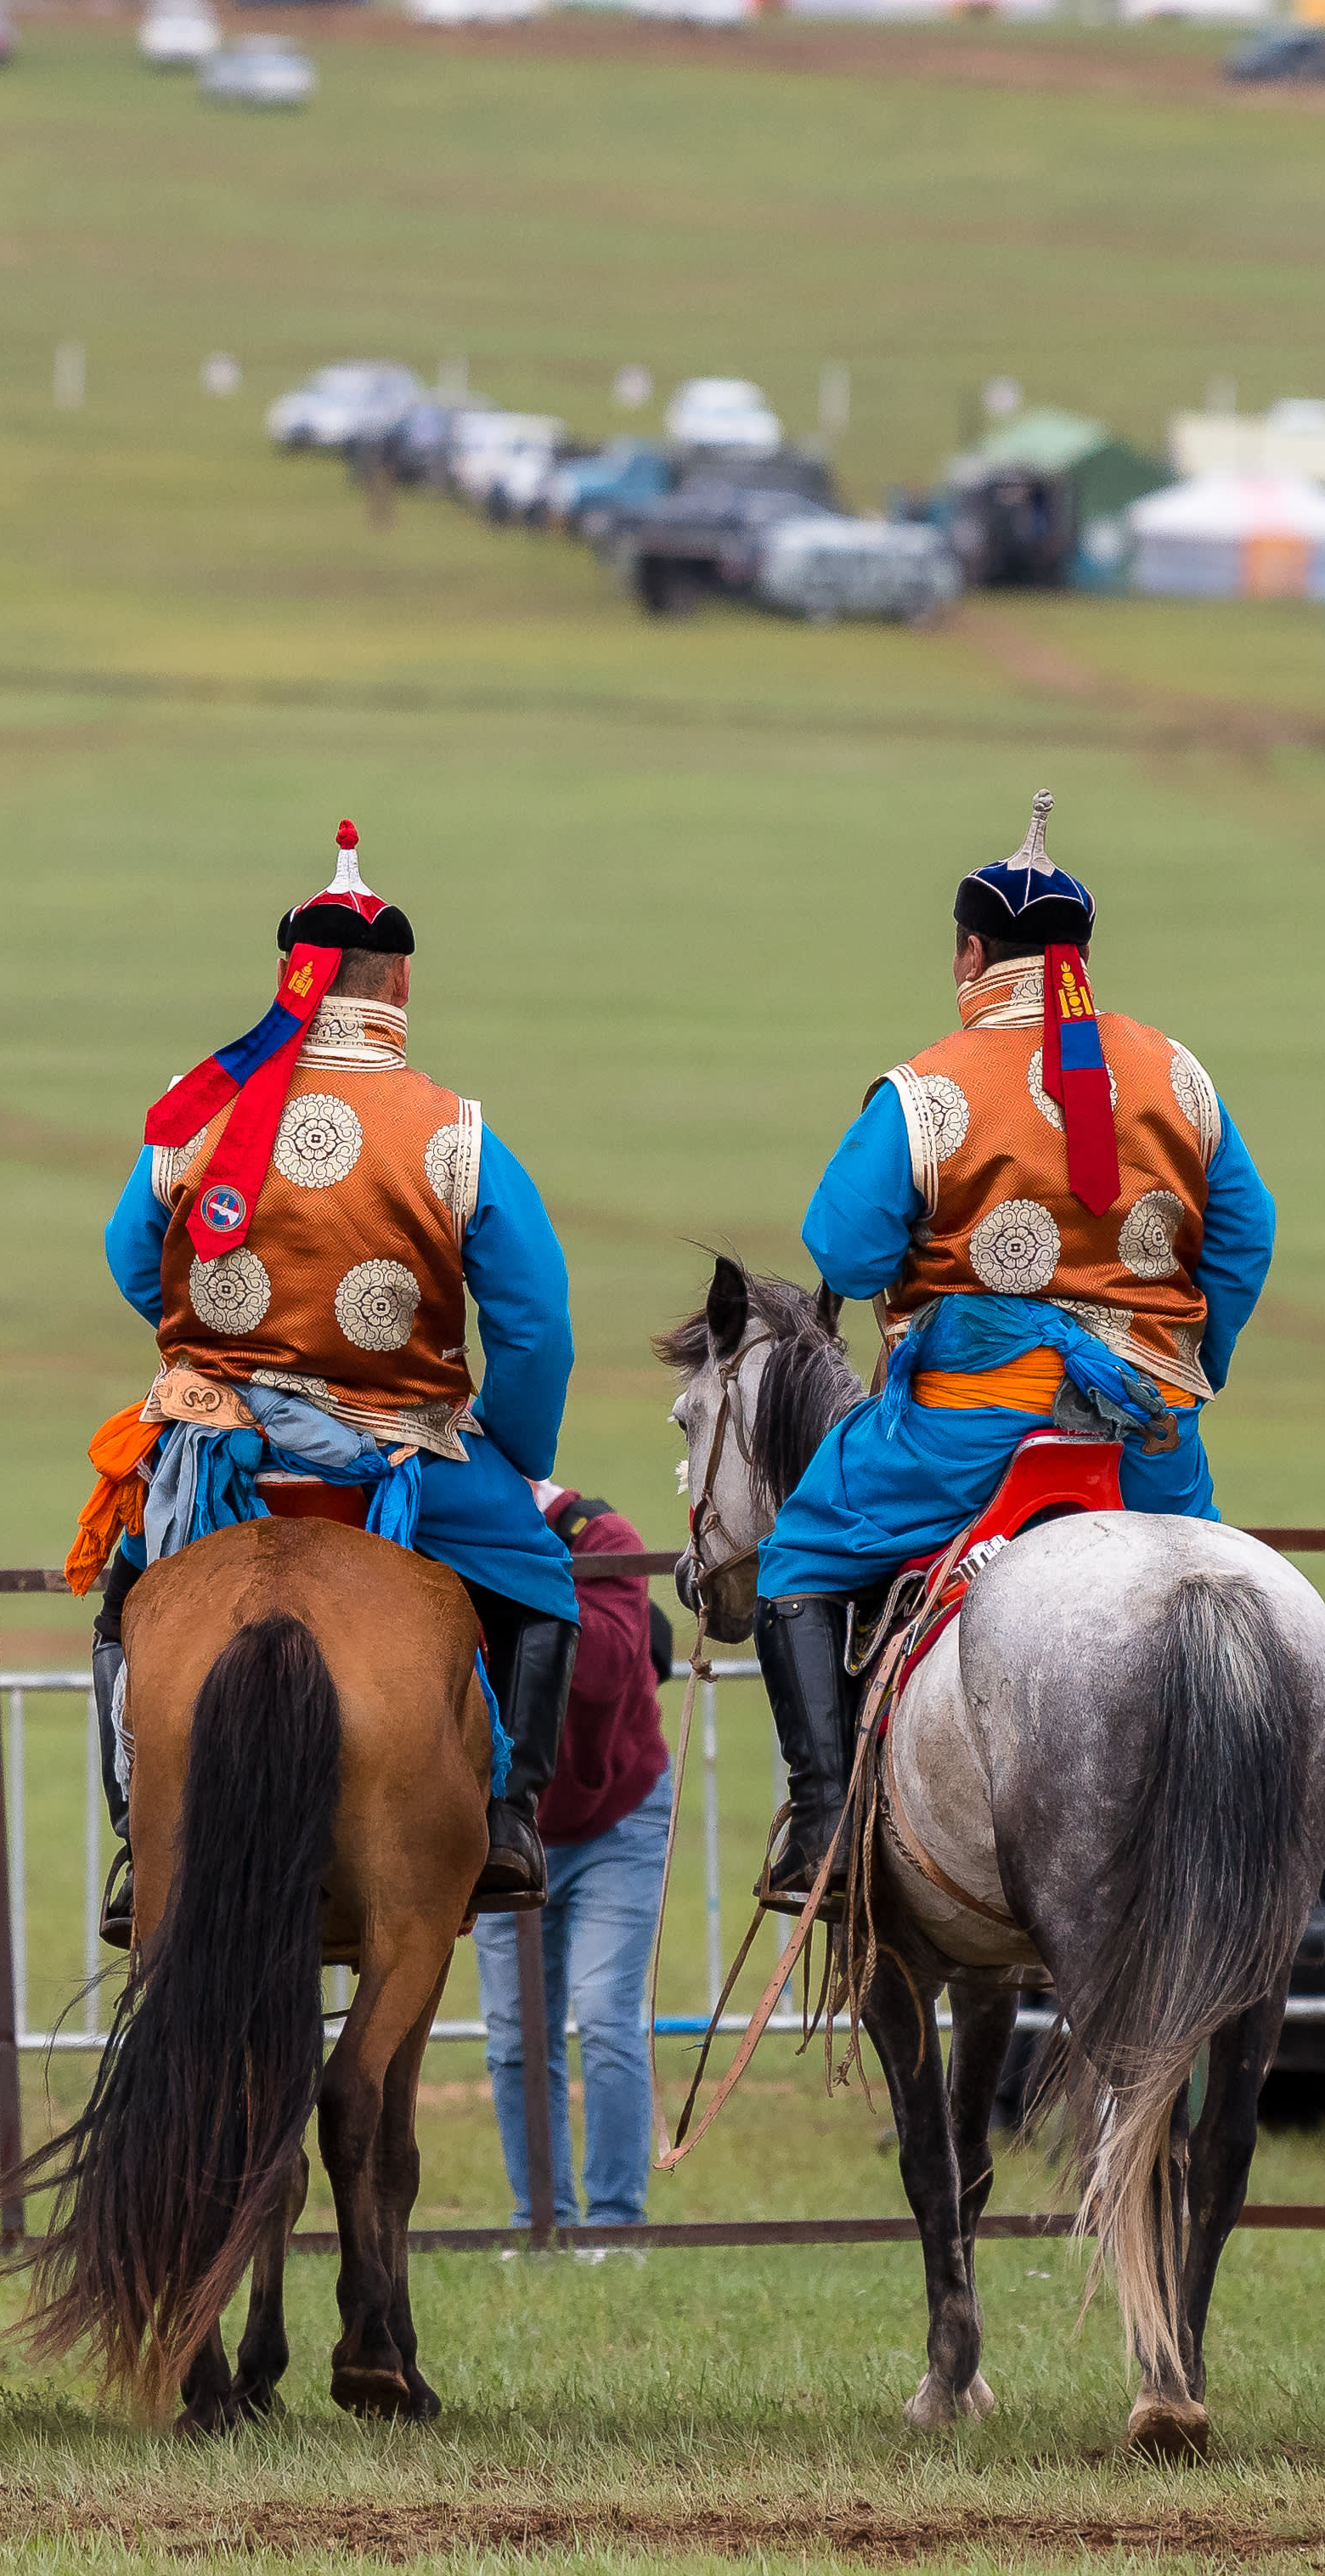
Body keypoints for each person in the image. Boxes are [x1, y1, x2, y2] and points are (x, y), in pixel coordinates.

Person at [744, 795, 1273, 1908]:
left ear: (971, 952)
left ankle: (827, 1832)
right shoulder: (1177, 1074)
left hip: (967, 1435)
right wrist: (1184, 1362)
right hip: (1147, 1444)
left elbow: (840, 1242)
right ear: (1078, 956)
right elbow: (1247, 1231)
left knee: (794, 1561)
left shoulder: (928, 1088)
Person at [89, 823, 582, 1929]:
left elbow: (133, 1254)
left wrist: (212, 1352)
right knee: (546, 1589)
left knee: (127, 1595)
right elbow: (535, 1322)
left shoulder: (196, 1106)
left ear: (291, 979)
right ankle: (506, 1818)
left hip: (215, 1452)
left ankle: (136, 1833)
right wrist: (512, 1451)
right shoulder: (454, 1131)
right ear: (400, 981)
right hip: (401, 1450)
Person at [475, 1489, 676, 2238]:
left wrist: (516, 1572)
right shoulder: (456, 1534)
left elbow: (593, 1673)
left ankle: (616, 2227)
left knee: (603, 2014)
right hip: (506, 1825)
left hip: (616, 1815)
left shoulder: (602, 1535)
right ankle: (541, 2224)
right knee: (513, 2036)